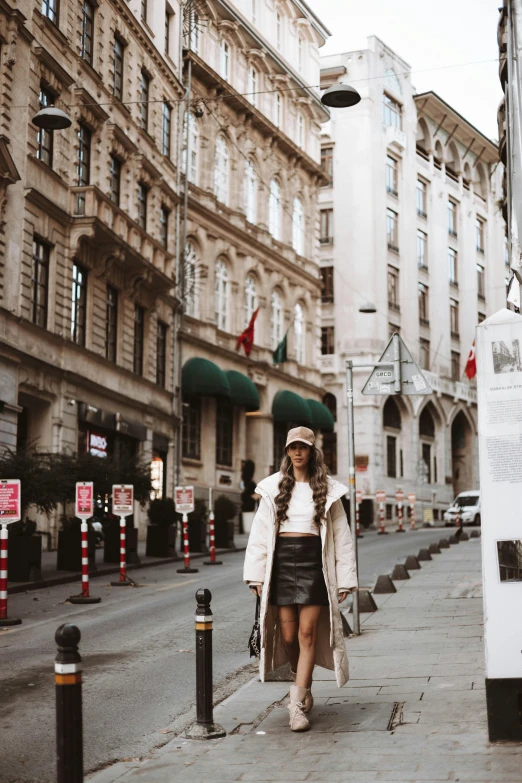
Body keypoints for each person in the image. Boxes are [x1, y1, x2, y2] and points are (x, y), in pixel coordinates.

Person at [243, 426, 358, 732]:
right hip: (281, 565)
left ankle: (295, 705)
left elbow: (342, 537)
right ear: (286, 452)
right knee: (289, 636)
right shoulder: (273, 488)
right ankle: (302, 681)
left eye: (302, 447)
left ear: (311, 452)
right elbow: (259, 535)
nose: (297, 452)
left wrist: (345, 579)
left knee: (307, 635)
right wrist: (255, 574)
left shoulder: (329, 491)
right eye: (292, 447)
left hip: (313, 564)